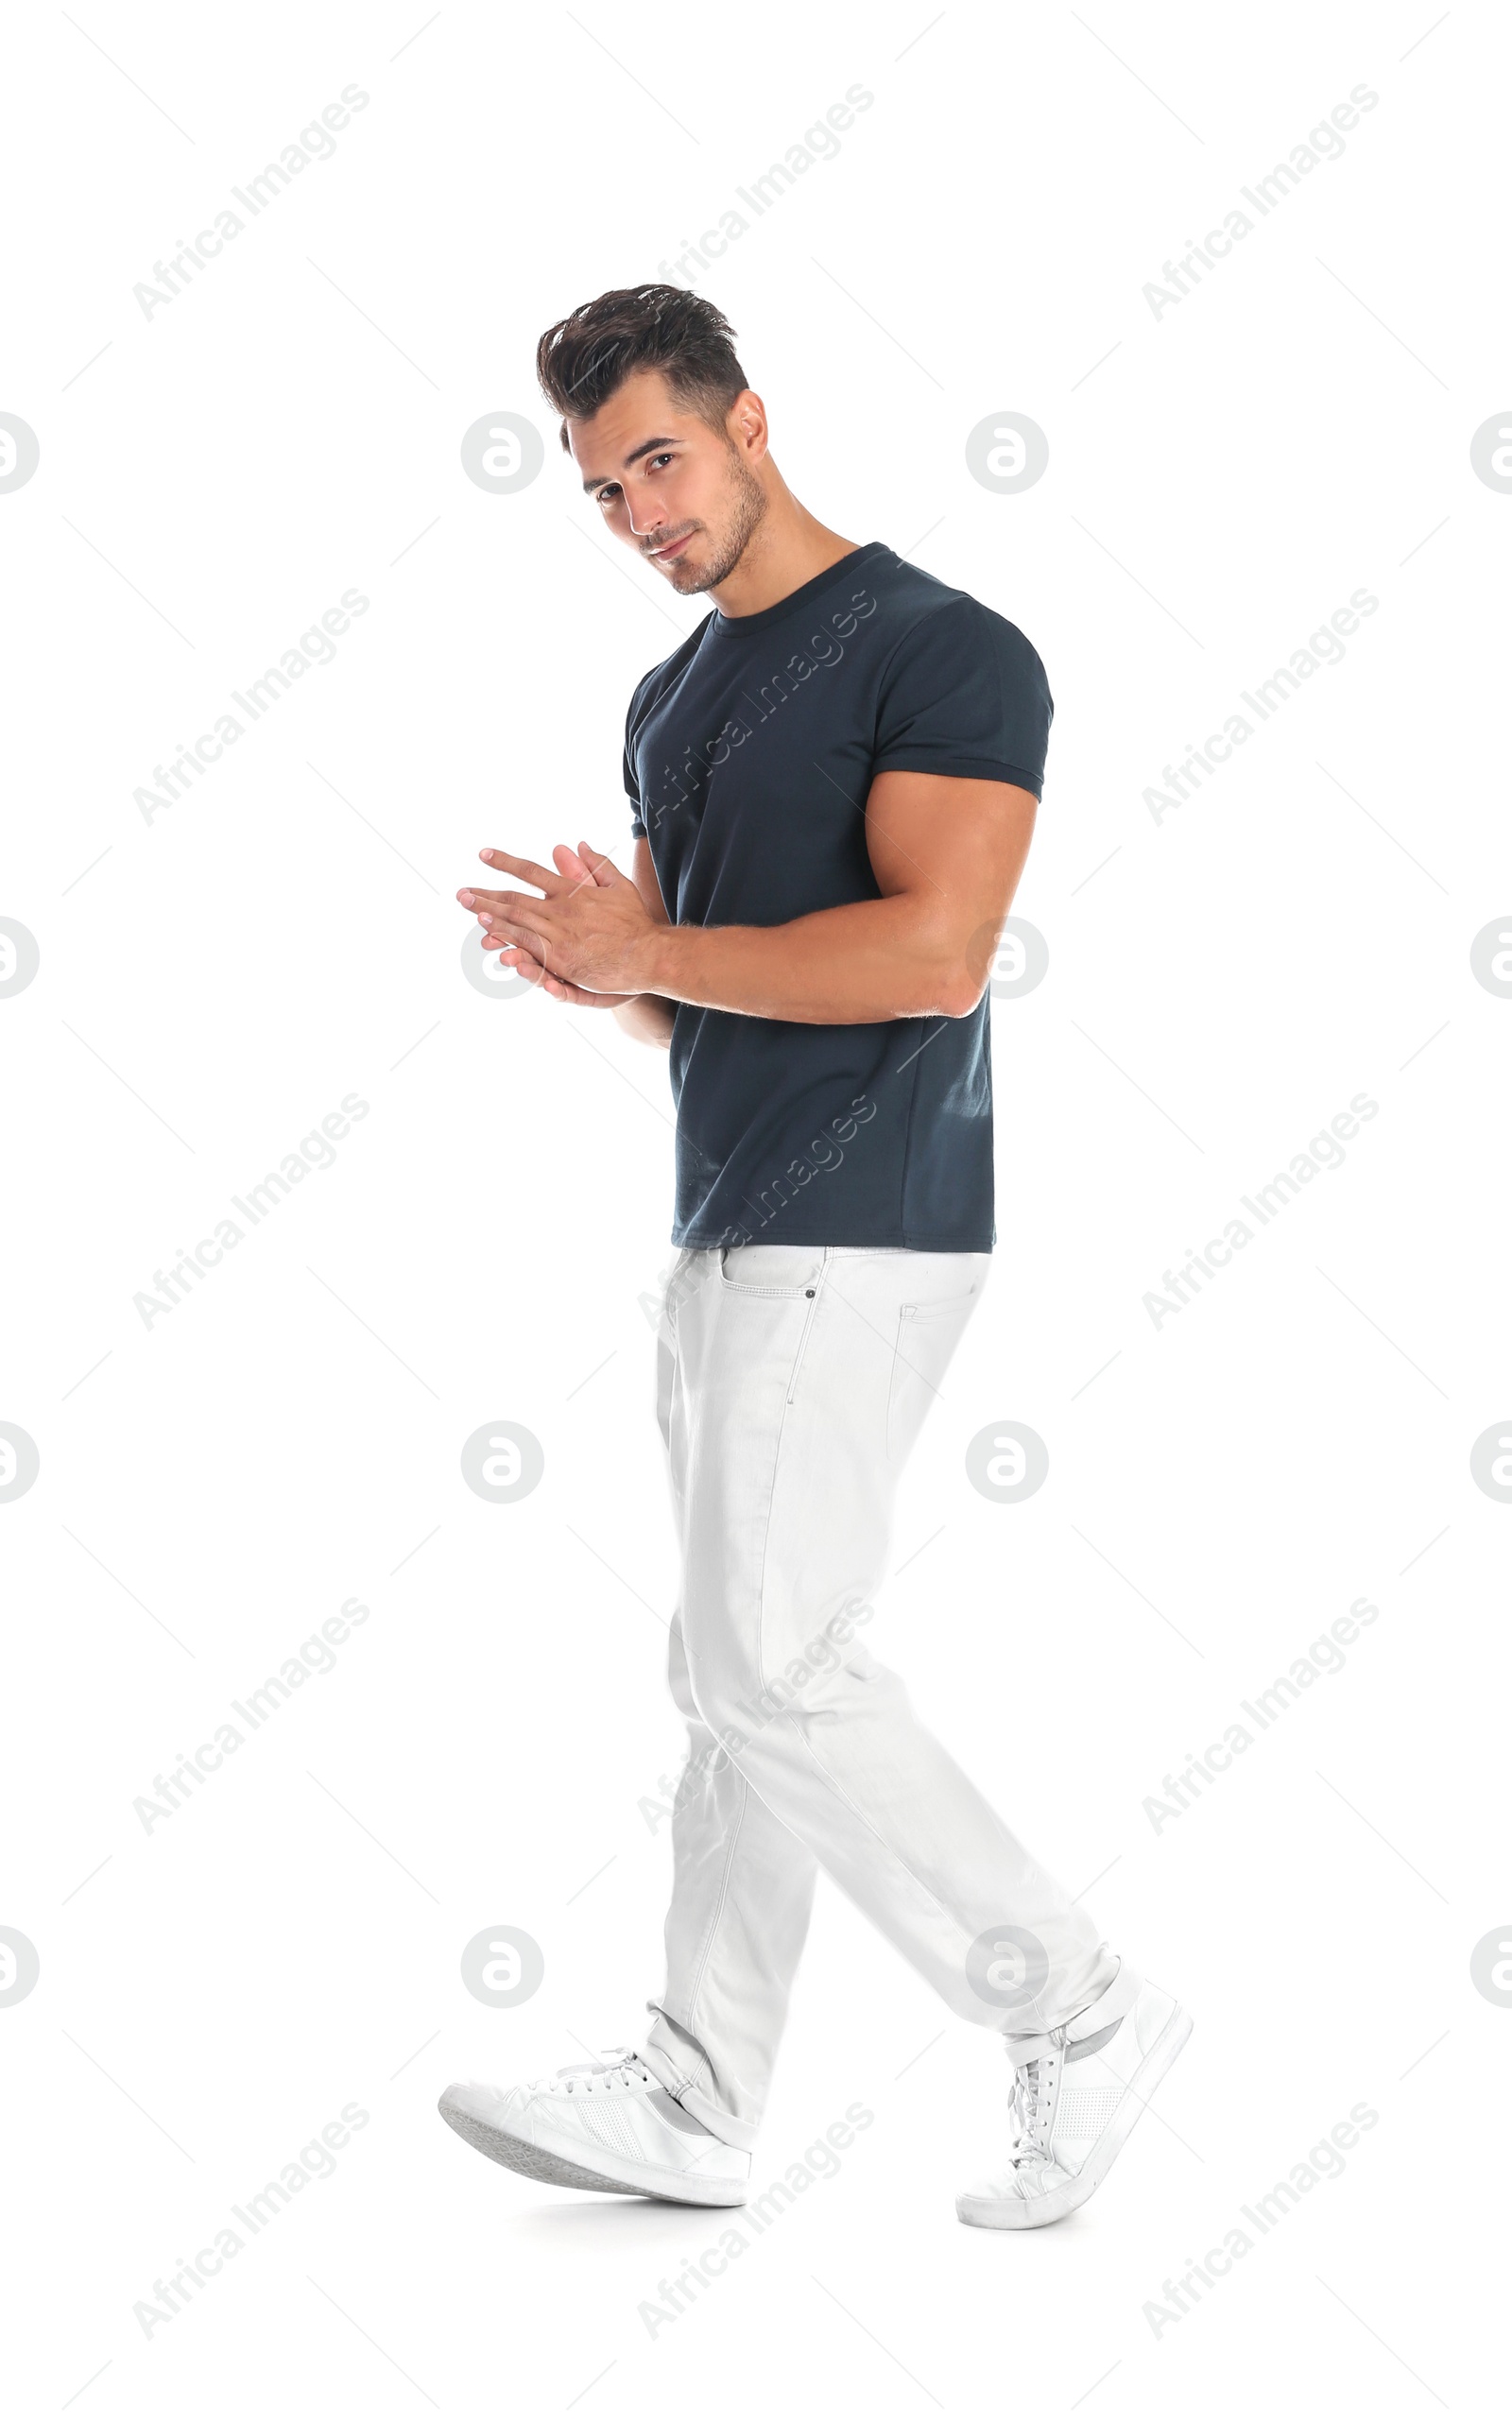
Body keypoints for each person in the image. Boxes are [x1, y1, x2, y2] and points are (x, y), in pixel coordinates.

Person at [438, 285, 1189, 2229]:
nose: (637, 515)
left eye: (659, 461)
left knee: (771, 1664)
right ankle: (700, 2093)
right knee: (729, 1671)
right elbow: (706, 1008)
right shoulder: (669, 698)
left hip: (869, 1223)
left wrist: (650, 950)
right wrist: (596, 976)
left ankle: (1077, 2008)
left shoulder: (943, 649)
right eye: (600, 491)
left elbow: (933, 957)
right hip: (725, 1218)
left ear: (751, 420)